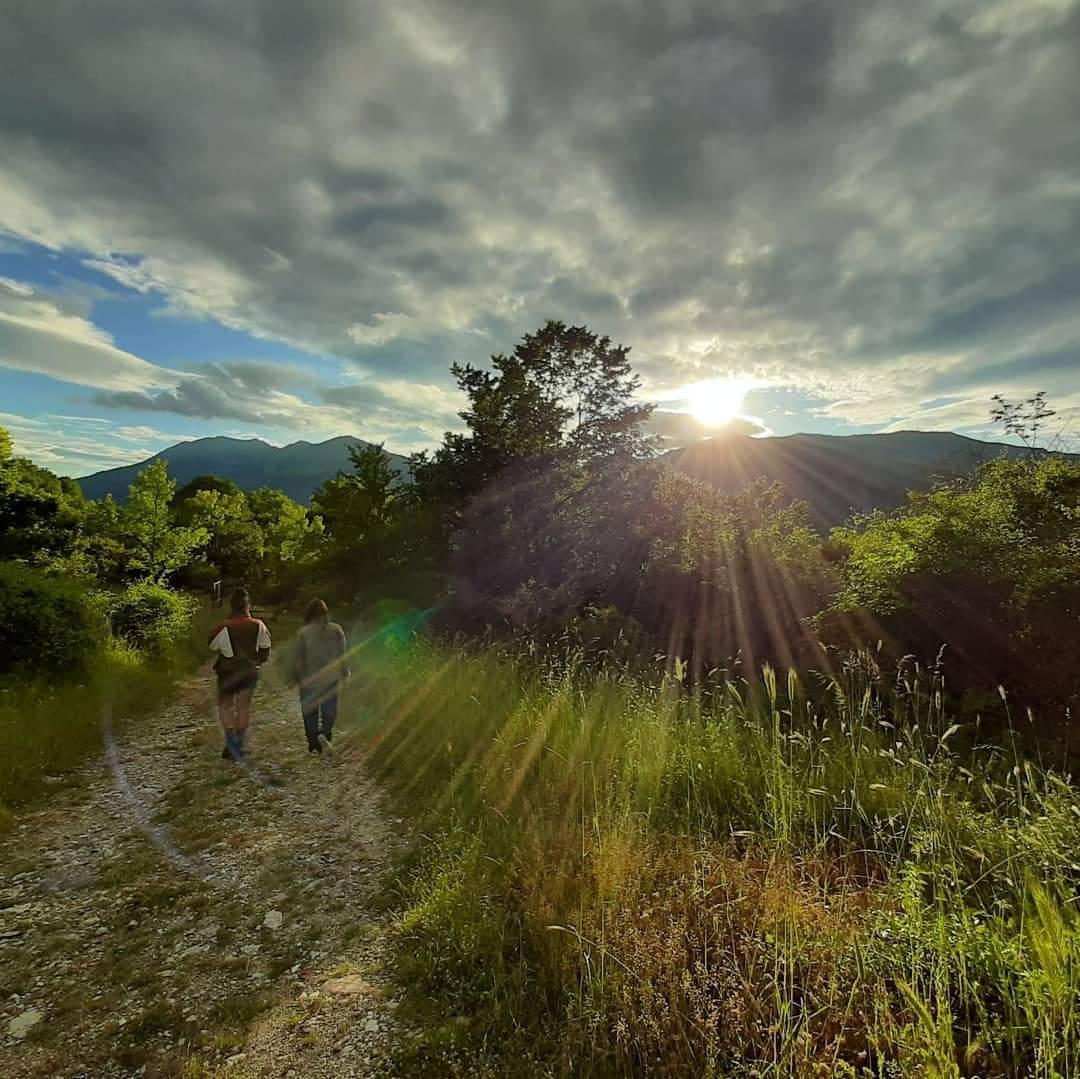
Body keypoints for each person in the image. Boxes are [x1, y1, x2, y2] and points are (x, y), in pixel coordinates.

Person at [208, 588, 272, 761]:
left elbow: (212, 645)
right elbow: (266, 647)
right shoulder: (258, 625)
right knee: (243, 706)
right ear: (247, 605)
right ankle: (240, 742)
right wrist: (258, 660)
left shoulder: (223, 627)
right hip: (249, 671)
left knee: (225, 706)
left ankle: (230, 742)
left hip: (227, 671)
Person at [292, 598, 349, 754]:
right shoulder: (337, 630)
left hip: (309, 679)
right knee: (329, 710)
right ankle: (325, 733)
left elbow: (298, 659)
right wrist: (345, 672)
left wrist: (297, 677)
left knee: (310, 712)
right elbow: (342, 654)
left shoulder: (303, 633)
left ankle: (314, 741)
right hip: (330, 678)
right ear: (325, 613)